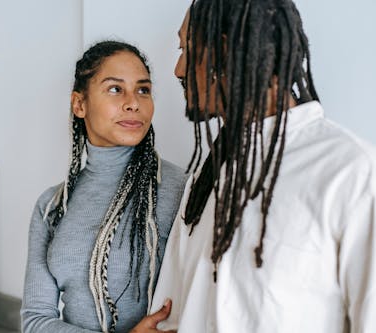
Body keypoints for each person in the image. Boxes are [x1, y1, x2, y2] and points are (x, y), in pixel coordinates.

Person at [133, 0, 376, 332]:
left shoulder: (351, 171)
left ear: (225, 50)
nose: (178, 69)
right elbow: (172, 316)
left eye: (187, 49)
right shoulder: (206, 179)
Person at [21, 40, 187, 333]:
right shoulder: (51, 206)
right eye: (115, 88)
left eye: (143, 90)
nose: (133, 102)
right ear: (79, 104)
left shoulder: (181, 190)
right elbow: (35, 320)